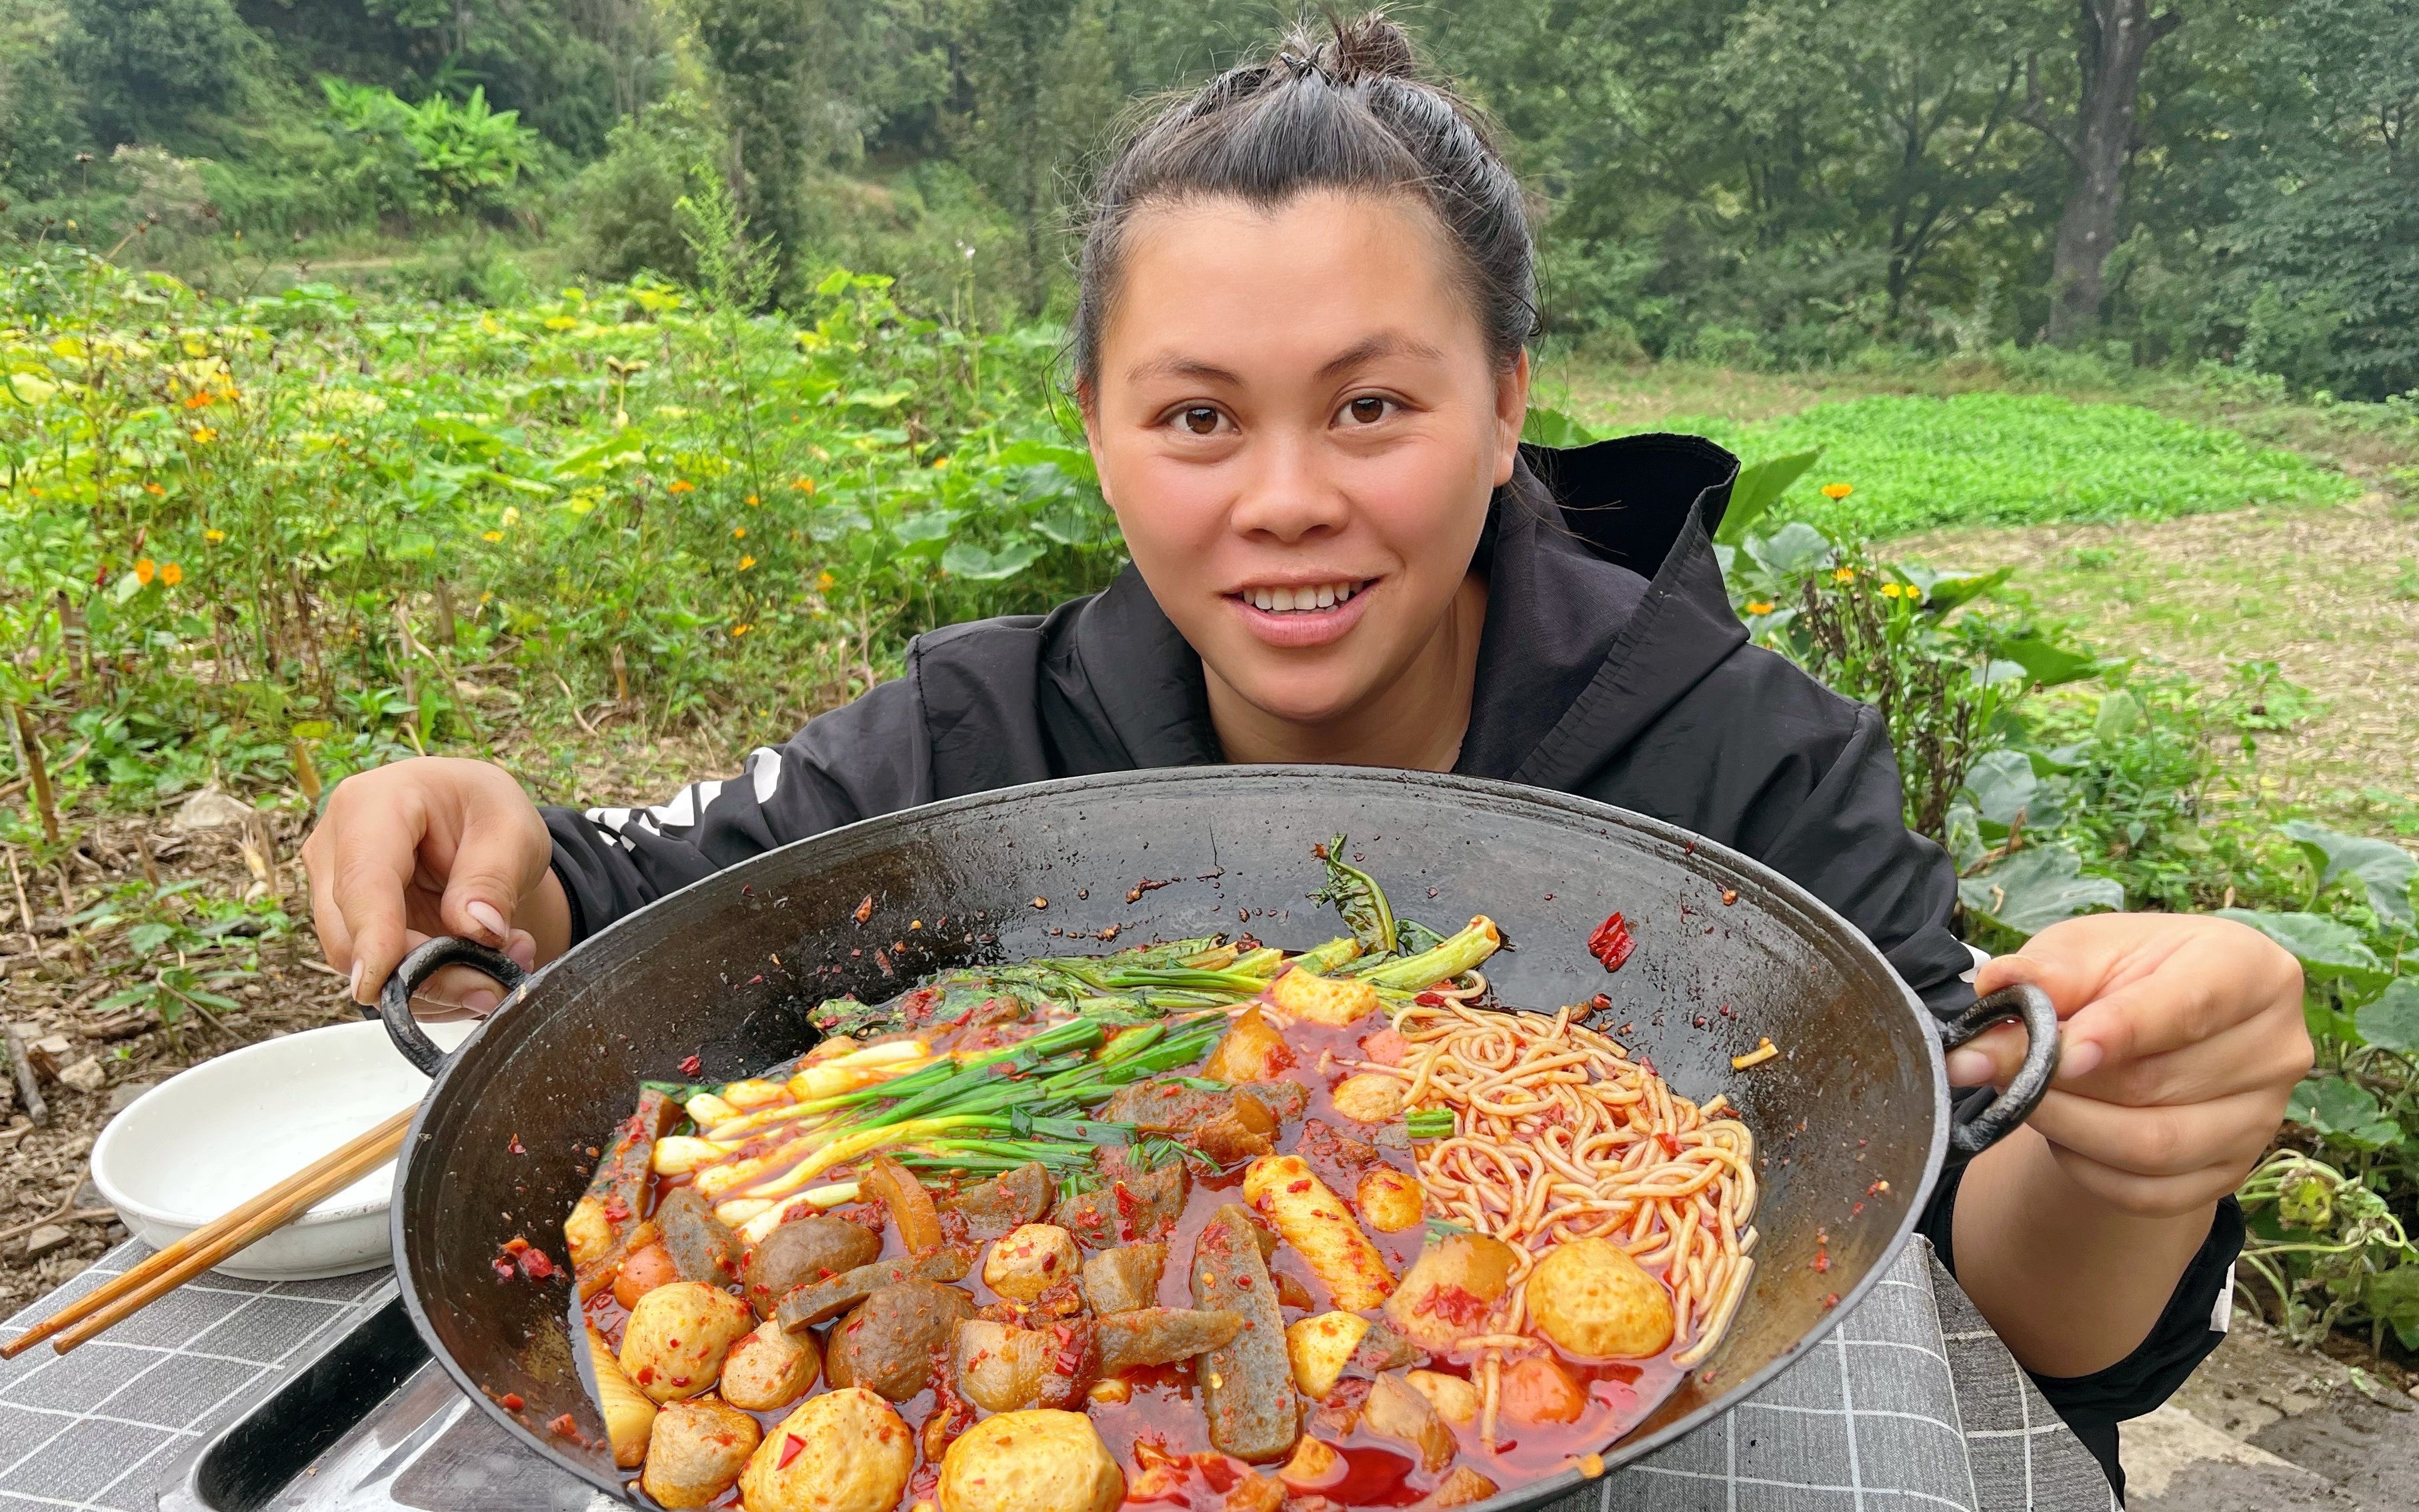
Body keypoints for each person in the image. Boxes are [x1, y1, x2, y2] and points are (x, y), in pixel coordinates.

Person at [301, 13, 2308, 1492]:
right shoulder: (972, 738)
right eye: (1194, 419)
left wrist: (2135, 1141)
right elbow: (650, 938)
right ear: (1095, 424)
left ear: (1509, 402)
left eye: (1370, 407)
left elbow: (1999, 1283)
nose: (1283, 499)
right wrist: (504, 855)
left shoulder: (1747, 766)